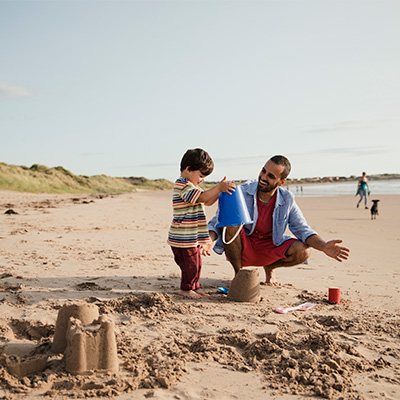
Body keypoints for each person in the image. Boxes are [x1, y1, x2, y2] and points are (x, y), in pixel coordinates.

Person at [208, 155, 350, 286]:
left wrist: (324, 246)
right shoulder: (242, 191)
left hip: (270, 246)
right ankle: (239, 276)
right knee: (230, 223)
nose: (263, 177)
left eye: (270, 176)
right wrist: (208, 239)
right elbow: (218, 220)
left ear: (281, 182)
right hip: (245, 244)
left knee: (303, 251)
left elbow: (302, 229)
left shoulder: (287, 199)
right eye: (263, 171)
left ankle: (270, 267)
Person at [168, 148, 236, 299]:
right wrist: (217, 187)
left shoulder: (193, 187)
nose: (202, 179)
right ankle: (185, 289)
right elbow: (203, 198)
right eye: (201, 175)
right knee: (190, 265)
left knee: (196, 263)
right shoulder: (182, 185)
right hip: (182, 238)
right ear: (188, 169)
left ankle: (194, 287)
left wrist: (220, 192)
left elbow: (208, 201)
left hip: (190, 237)